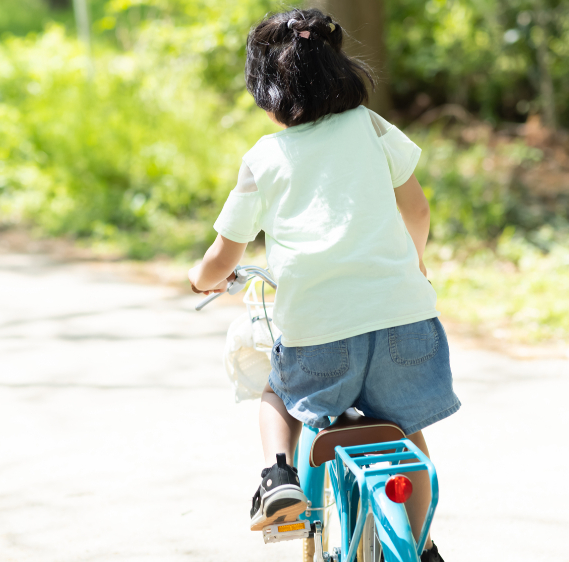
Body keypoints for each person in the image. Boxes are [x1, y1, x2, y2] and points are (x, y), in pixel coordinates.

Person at [187, 8, 459, 562]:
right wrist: (415, 262)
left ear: (267, 94)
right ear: (340, 71)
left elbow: (224, 255)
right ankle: (421, 545)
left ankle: (279, 477)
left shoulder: (264, 158)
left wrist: (200, 279)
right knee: (404, 432)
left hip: (320, 336)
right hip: (406, 323)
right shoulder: (372, 127)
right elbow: (418, 210)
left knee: (279, 392)